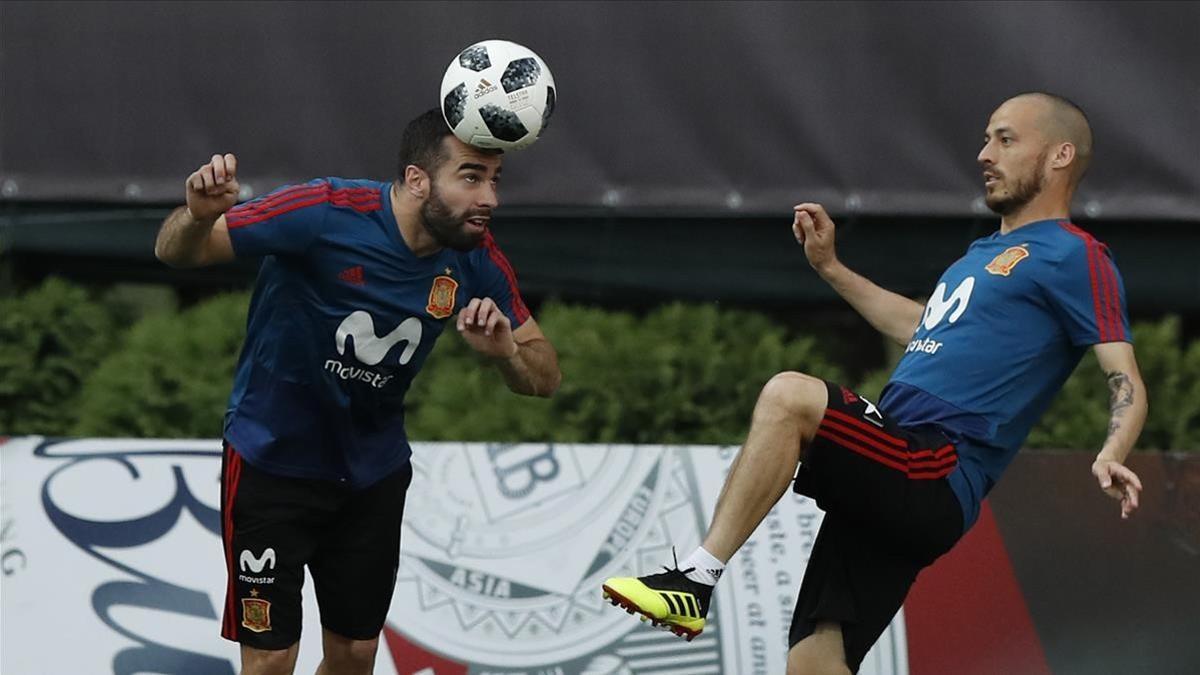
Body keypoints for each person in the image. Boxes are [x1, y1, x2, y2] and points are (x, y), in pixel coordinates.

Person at [602, 92, 1147, 674]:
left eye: (1006, 139)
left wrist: (1112, 450)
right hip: (891, 470)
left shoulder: (1075, 255)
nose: (985, 153)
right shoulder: (981, 254)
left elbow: (1125, 376)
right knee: (814, 662)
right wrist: (830, 268)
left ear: (1061, 154)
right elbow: (920, 327)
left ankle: (695, 579)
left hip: (933, 466)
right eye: (987, 138)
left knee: (790, 395)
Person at [154, 108, 561, 675]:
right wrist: (196, 218)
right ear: (418, 180)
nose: (488, 197)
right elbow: (177, 251)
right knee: (271, 660)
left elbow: (545, 376)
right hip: (273, 465)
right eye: (471, 177)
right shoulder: (322, 212)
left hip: (372, 475)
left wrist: (509, 355)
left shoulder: (476, 259)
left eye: (495, 180)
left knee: (355, 656)